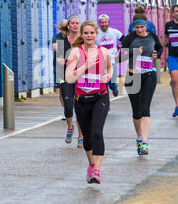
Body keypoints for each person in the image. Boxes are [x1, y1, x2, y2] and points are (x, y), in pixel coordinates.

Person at [65, 21, 113, 184]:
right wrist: (86, 65)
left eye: (92, 33)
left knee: (97, 132)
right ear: (82, 35)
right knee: (87, 137)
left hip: (100, 97)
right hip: (81, 100)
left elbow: (109, 68)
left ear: (96, 34)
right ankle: (91, 165)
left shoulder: (104, 51)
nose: (89, 36)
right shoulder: (75, 53)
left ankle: (97, 171)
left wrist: (108, 75)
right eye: (86, 33)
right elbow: (69, 78)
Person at [119, 7, 163, 155]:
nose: (139, 30)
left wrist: (157, 54)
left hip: (149, 75)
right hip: (132, 76)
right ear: (133, 26)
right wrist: (135, 52)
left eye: (142, 27)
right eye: (136, 27)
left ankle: (145, 142)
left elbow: (160, 49)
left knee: (145, 108)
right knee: (136, 111)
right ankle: (139, 137)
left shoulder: (152, 37)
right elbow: (120, 57)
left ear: (146, 26)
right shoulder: (129, 38)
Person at [52, 16, 83, 148]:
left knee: (80, 107)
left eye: (77, 23)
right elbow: (57, 51)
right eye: (73, 23)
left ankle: (81, 136)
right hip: (63, 74)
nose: (75, 25)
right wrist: (61, 58)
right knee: (68, 104)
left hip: (80, 75)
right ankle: (70, 127)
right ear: (68, 26)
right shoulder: (60, 38)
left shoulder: (83, 38)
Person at [95, 14, 124, 98]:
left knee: (112, 83)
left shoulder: (114, 32)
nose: (104, 24)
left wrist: (119, 49)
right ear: (99, 23)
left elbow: (125, 40)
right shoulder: (96, 33)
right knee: (104, 83)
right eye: (102, 22)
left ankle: (114, 88)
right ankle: (106, 104)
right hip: (101, 62)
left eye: (105, 22)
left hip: (112, 62)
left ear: (108, 22)